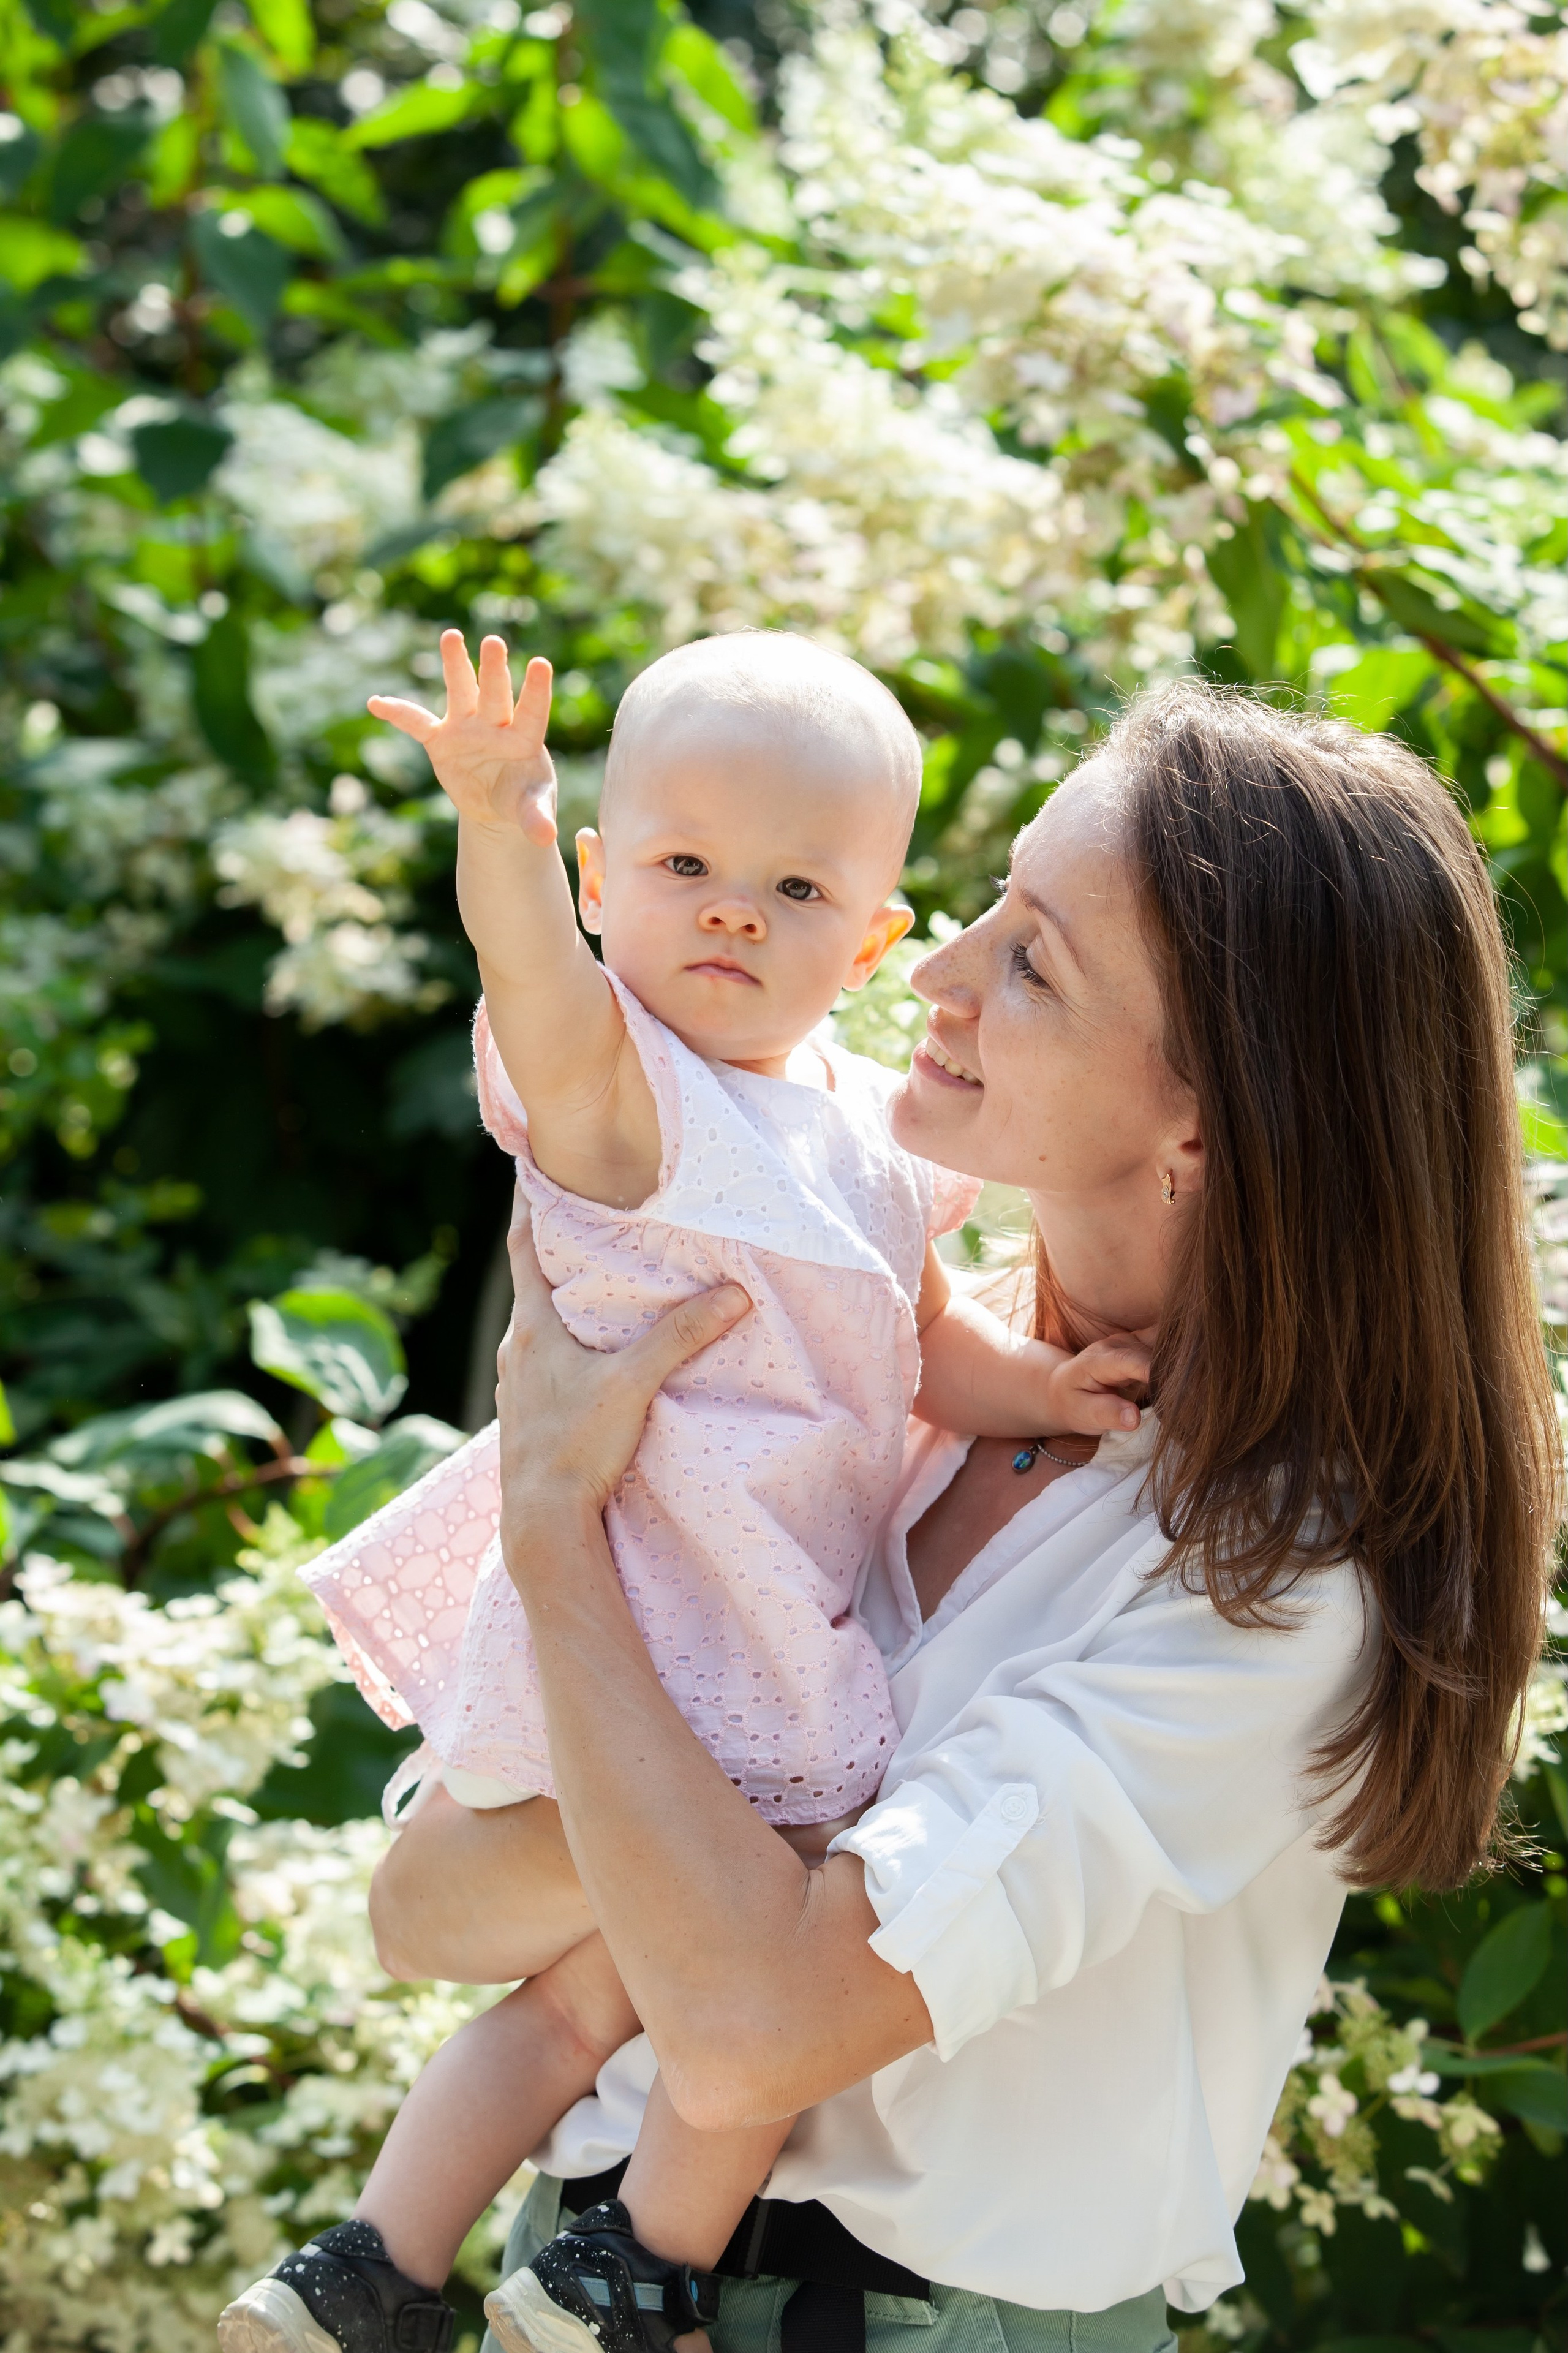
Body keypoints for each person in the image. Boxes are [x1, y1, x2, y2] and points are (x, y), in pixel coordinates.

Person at [358, 683, 1557, 2353]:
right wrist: (751, 1864)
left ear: (1207, 1119)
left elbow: (754, 2029)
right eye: (990, 905)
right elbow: (427, 1906)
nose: (933, 971)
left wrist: (557, 1532)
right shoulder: (836, 1348)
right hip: (577, 2283)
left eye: (1033, 962)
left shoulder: (1276, 1585)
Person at [219, 630, 1149, 2353]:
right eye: (681, 867)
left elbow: (922, 1344)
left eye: (794, 888)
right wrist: (498, 823)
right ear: (600, 882)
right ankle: (637, 2268)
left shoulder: (865, 1137)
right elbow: (533, 980)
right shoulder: (624, 1098)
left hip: (739, 1605)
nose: (730, 913)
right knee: (782, 1907)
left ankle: (365, 2268)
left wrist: (1047, 1389)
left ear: (870, 941)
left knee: (588, 1994)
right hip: (672, 1612)